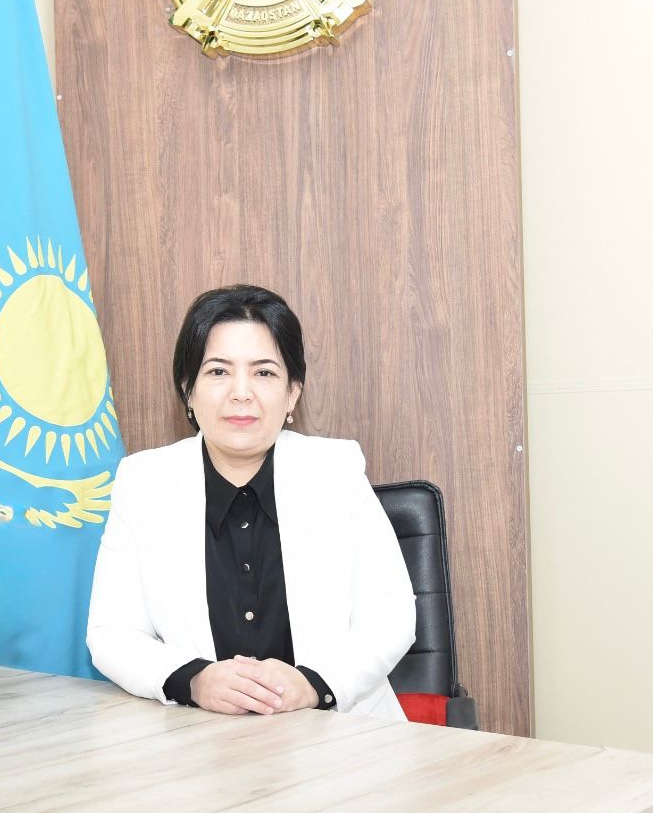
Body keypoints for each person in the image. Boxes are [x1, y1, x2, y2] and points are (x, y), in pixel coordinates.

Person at [87, 285, 415, 720]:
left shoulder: (336, 472)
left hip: (339, 733)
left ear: (293, 392)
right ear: (188, 390)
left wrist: (312, 685)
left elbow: (390, 617)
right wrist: (194, 679)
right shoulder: (145, 484)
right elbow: (111, 633)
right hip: (198, 739)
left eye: (263, 373)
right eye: (218, 371)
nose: (241, 392)